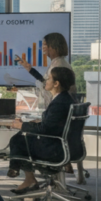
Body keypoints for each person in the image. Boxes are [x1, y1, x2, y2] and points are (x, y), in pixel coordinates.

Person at [15, 32, 84, 183]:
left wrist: (26, 125)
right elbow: (46, 82)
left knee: (19, 139)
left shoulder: (58, 65)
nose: (42, 48)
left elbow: (47, 87)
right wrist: (29, 68)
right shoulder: (58, 63)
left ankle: (29, 179)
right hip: (62, 131)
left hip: (55, 139)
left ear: (54, 46)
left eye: (45, 45)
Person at [7, 67, 79, 194]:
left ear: (56, 84)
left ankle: (22, 173)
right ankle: (24, 175)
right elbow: (55, 124)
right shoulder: (66, 98)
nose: (46, 80)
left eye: (49, 78)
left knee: (18, 139)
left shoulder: (58, 103)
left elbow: (45, 129)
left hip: (53, 149)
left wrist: (21, 126)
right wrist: (37, 122)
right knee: (22, 135)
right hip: (64, 145)